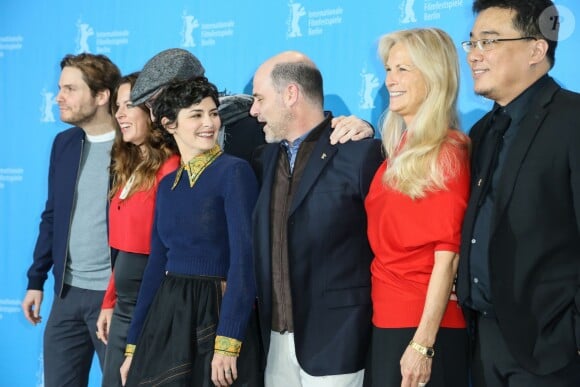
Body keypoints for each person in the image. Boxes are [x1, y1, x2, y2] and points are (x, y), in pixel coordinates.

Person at [456, 1, 580, 386]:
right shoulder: (481, 133)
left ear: (535, 49)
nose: (475, 55)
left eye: (489, 42)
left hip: (551, 347)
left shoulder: (572, 120)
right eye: (471, 43)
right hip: (484, 342)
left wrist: (571, 337)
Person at [249, 50, 384, 387]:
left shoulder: (359, 153)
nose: (254, 110)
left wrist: (365, 126)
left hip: (338, 341)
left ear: (290, 94)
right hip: (275, 344)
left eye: (259, 98)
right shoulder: (263, 159)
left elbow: (387, 244)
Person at [119, 76, 260, 387]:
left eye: (212, 113)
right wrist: (134, 346)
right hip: (169, 314)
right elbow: (156, 265)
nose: (209, 123)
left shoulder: (234, 172)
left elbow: (244, 259)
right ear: (170, 124)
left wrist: (229, 339)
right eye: (196, 115)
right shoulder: (168, 185)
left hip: (217, 310)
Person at [364, 28, 470, 387]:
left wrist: (423, 344)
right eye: (390, 69)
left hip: (423, 329)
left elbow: (448, 256)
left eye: (404, 69)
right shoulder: (398, 153)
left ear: (434, 76)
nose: (391, 80)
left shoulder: (447, 152)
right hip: (388, 321)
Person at [21, 53, 121, 386]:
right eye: (59, 88)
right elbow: (52, 215)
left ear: (102, 96)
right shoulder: (63, 144)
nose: (58, 97)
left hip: (115, 297)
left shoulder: (133, 147)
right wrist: (37, 280)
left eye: (70, 89)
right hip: (66, 295)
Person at [129, 48, 375, 158]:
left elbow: (302, 135)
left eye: (154, 104)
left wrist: (357, 127)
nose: (153, 118)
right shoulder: (160, 146)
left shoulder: (250, 125)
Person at [95, 72, 180, 386]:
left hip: (153, 305)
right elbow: (123, 252)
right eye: (118, 106)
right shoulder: (127, 167)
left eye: (129, 105)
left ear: (152, 111)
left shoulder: (171, 168)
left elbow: (165, 250)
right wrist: (109, 301)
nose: (119, 114)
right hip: (124, 306)